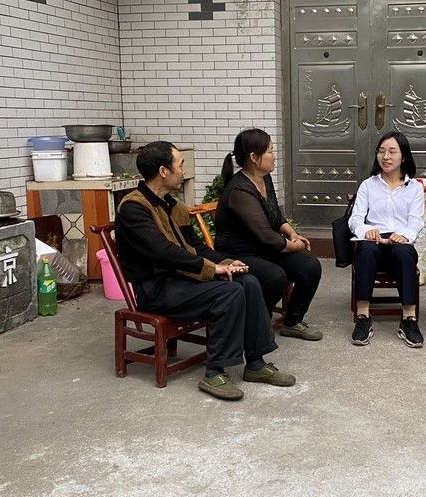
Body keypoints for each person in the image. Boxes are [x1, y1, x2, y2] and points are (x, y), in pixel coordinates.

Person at [115, 141, 296, 401]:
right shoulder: (134, 208)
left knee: (248, 281)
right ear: (163, 171)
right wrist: (212, 269)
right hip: (156, 288)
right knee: (228, 293)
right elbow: (163, 252)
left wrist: (227, 263)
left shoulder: (174, 205)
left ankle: (256, 363)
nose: (183, 171)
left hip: (182, 278)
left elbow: (196, 247)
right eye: (180, 165)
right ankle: (214, 372)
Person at [214, 129, 323, 341]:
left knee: (310, 266)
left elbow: (276, 216)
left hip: (263, 249)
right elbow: (265, 235)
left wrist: (293, 234)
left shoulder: (265, 178)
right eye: (270, 151)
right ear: (254, 158)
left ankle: (292, 322)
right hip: (238, 253)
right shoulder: (239, 190)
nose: (274, 156)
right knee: (274, 276)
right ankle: (256, 325)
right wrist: (294, 246)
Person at [348, 131, 425, 348]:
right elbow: (355, 219)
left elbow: (416, 221)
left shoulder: (415, 188)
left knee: (404, 252)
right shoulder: (368, 185)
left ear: (404, 156)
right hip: (374, 241)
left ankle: (409, 319)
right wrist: (366, 230)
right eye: (381, 151)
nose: (386, 157)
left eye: (392, 152)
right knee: (366, 251)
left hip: (400, 241)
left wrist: (405, 235)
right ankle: (363, 317)